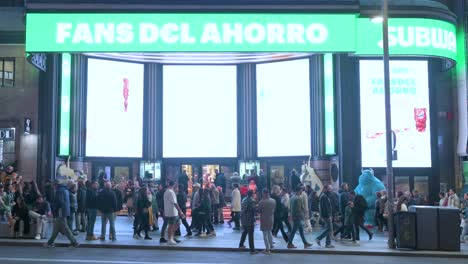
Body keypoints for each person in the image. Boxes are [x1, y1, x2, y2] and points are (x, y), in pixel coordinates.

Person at [44, 181, 79, 248]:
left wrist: (55, 210)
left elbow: (59, 202)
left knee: (66, 228)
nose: (52, 187)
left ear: (55, 185)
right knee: (56, 229)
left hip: (60, 211)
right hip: (64, 211)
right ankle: (50, 242)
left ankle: (74, 242)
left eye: (53, 186)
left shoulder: (59, 191)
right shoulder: (65, 190)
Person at [164, 180, 185, 245]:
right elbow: (175, 203)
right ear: (174, 185)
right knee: (171, 225)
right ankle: (170, 238)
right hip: (172, 212)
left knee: (178, 223)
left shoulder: (167, 191)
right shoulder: (171, 192)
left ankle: (171, 236)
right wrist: (180, 211)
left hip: (170, 211)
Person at [258, 188, 275, 254]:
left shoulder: (262, 202)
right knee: (269, 232)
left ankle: (267, 249)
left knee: (265, 234)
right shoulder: (273, 201)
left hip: (264, 219)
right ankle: (271, 246)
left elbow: (259, 211)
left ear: (264, 193)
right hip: (271, 218)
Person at [239, 190, 257, 254]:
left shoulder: (244, 199)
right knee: (251, 235)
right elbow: (253, 210)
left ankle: (241, 244)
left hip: (244, 219)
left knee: (245, 232)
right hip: (249, 219)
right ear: (252, 194)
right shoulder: (252, 201)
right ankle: (252, 250)